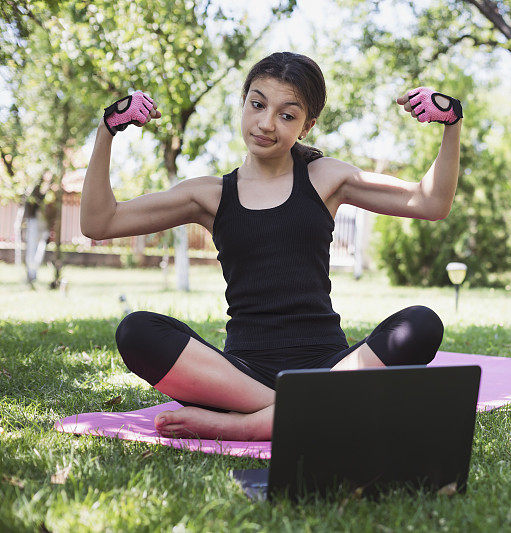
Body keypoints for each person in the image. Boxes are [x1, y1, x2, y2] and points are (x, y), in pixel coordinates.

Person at [80, 51, 463, 441]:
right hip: (240, 378)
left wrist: (452, 125)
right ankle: (303, 411)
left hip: (329, 367)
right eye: (257, 104)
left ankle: (247, 425)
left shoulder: (326, 177)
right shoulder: (209, 194)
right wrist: (106, 130)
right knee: (136, 331)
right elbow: (99, 222)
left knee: (421, 324)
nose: (266, 123)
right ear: (243, 102)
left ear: (307, 125)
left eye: (287, 114)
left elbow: (429, 203)